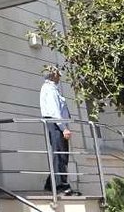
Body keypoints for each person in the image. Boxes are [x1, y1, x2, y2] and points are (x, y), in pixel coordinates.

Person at [40, 66, 79, 196]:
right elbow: (54, 111)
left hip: (56, 124)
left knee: (60, 153)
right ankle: (59, 185)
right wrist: (64, 128)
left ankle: (51, 184)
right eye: (58, 74)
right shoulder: (50, 89)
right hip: (55, 124)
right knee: (60, 154)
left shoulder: (52, 88)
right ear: (52, 75)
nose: (60, 77)